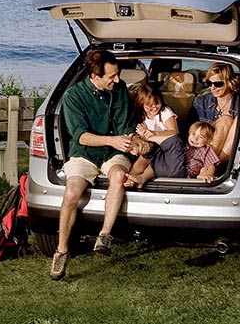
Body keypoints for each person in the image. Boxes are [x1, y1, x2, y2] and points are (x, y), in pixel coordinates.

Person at [49, 49, 135, 281]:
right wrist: (112, 140)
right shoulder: (73, 96)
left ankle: (104, 236)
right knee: (71, 193)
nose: (116, 80)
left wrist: (132, 142)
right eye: (111, 76)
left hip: (114, 153)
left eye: (117, 74)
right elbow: (81, 136)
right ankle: (62, 251)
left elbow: (126, 125)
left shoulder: (120, 90)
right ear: (94, 76)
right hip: (85, 153)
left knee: (118, 176)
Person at [123, 83, 186, 188]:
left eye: (156, 103)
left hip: (167, 149)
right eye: (148, 105)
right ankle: (131, 177)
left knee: (151, 161)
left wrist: (154, 133)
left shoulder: (165, 112)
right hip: (151, 149)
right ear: (141, 104)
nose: (154, 107)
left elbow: (174, 132)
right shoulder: (141, 116)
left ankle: (140, 177)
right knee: (143, 159)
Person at [192, 63, 239, 163]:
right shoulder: (201, 101)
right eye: (209, 83)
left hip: (228, 155)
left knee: (228, 120)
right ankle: (209, 165)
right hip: (200, 149)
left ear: (229, 82)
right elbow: (192, 130)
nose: (212, 88)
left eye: (218, 84)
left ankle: (212, 165)